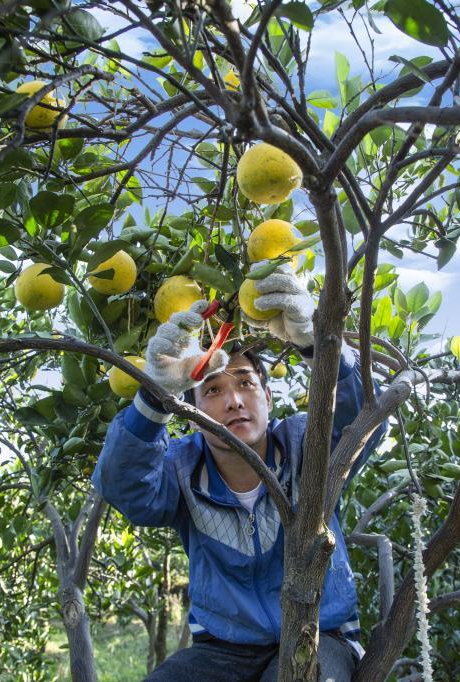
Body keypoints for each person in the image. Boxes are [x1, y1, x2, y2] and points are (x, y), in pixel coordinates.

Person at [91, 264, 383, 681]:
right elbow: (124, 488)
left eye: (245, 384)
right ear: (191, 413)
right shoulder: (182, 467)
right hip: (222, 651)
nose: (233, 401)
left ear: (267, 397)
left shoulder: (307, 446)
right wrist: (154, 396)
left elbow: (365, 423)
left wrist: (318, 343)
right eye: (212, 390)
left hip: (320, 634)